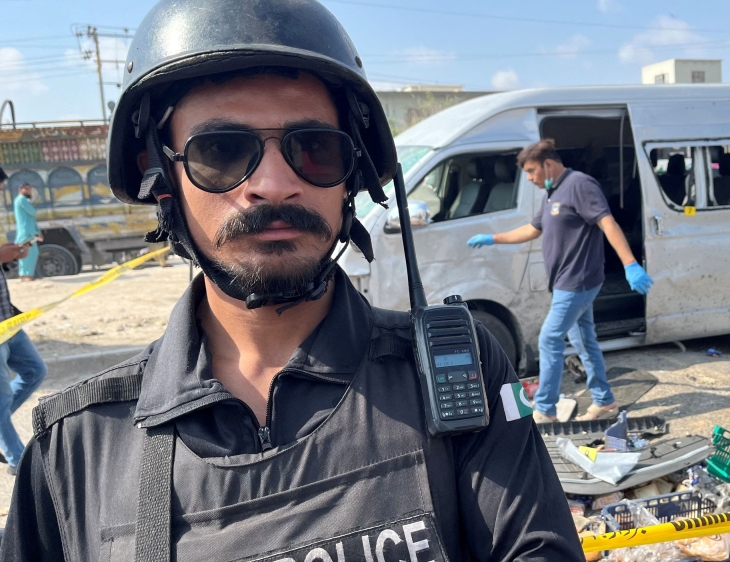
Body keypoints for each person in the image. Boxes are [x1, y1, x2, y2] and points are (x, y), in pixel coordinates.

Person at [0, 1, 583, 560]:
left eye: (316, 148)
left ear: (352, 174)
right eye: (221, 151)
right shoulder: (74, 446)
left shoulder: (459, 371)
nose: (274, 185)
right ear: (160, 177)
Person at [467, 140, 654, 423]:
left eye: (531, 171)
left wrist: (630, 264)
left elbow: (607, 223)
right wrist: (493, 238)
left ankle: (546, 409)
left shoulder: (580, 185)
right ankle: (604, 401)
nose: (529, 178)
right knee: (584, 341)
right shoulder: (552, 192)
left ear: (549, 164)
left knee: (549, 339)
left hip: (578, 280)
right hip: (565, 281)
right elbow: (533, 229)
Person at [0, 241, 47, 476]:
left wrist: (10, 258)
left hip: (8, 323)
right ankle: (17, 462)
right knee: (2, 399)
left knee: (35, 371)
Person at [13, 183, 41, 281]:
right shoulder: (21, 200)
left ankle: (24, 275)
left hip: (29, 232)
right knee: (29, 253)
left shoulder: (23, 200)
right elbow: (33, 212)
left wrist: (37, 232)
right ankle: (27, 276)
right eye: (26, 189)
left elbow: (31, 218)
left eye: (30, 189)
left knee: (28, 252)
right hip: (26, 233)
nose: (29, 191)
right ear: (20, 189)